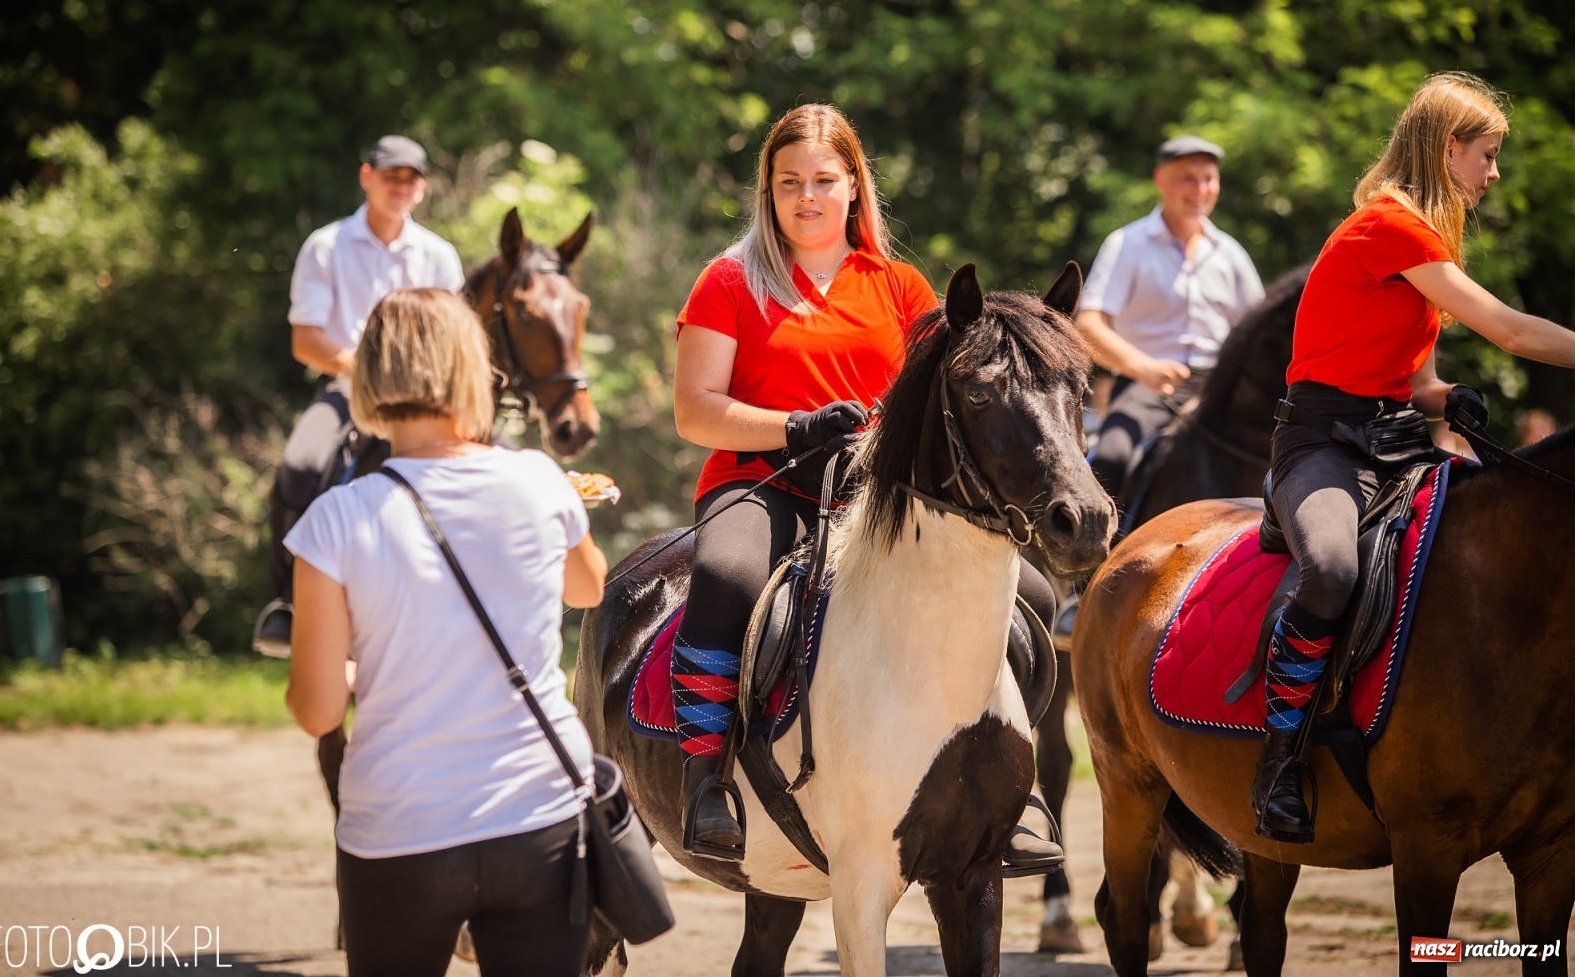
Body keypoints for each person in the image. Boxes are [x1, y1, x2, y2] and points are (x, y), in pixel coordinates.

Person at [671, 102, 1062, 871]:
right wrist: (796, 426)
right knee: (725, 575)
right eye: (788, 183)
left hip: (881, 500)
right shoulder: (727, 280)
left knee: (1035, 598)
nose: (805, 197)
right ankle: (705, 776)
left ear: (854, 187)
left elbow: (943, 393)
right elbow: (695, 412)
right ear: (768, 191)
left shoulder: (900, 286)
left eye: (822, 180)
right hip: (766, 481)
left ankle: (1015, 785)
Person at [1253, 72, 1575, 843]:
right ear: (1446, 149)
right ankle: (1278, 758)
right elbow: (1513, 331)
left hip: (1395, 441)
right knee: (1331, 568)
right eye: (1487, 155)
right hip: (1321, 447)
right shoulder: (1388, 227)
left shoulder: (1420, 241)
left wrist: (1444, 398)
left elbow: (1416, 381)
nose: (1493, 173)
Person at [284, 287, 608, 976]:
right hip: (540, 814)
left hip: (402, 828)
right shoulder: (540, 480)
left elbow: (315, 711)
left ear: (368, 376)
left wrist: (352, 670)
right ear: (474, 370)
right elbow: (587, 588)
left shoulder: (334, 521)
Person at [255, 135, 465, 656]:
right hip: (346, 389)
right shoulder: (326, 246)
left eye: (412, 178)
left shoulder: (439, 254)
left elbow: (455, 335)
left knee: (503, 458)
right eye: (391, 175)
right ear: (366, 176)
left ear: (422, 189)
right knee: (300, 467)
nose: (402, 186)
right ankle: (287, 605)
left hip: (429, 400)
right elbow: (306, 339)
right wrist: (368, 370)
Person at [1077, 135, 1264, 506]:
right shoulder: (1127, 244)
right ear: (1160, 180)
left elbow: (1256, 331)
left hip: (1219, 389)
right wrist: (1143, 367)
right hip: (1146, 387)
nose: (1200, 189)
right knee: (1111, 457)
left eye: (1208, 178)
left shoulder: (1229, 253)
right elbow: (1089, 324)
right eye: (1187, 178)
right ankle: (1087, 557)